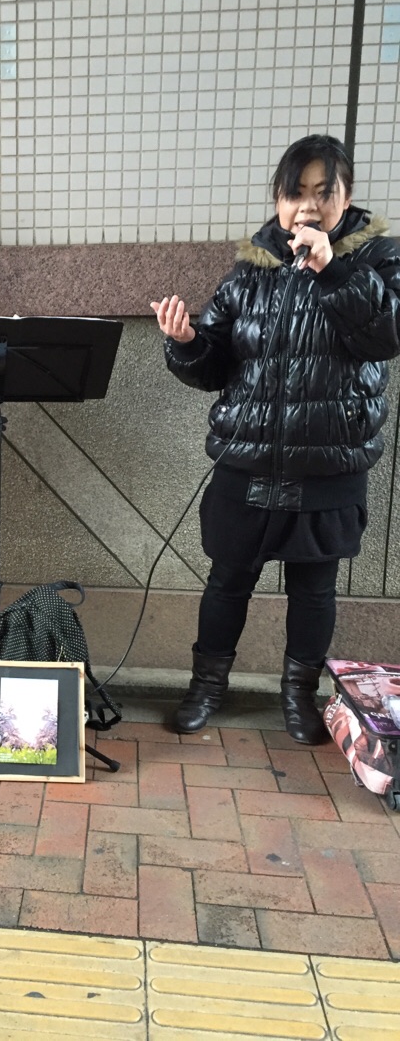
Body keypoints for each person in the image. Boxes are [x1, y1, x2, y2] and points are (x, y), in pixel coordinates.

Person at [150, 134, 400, 745]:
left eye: (322, 192)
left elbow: (386, 335)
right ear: (278, 201)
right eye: (296, 193)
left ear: (346, 198)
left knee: (314, 589)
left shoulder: (378, 259)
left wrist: (331, 267)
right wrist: (186, 343)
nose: (307, 206)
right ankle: (206, 688)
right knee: (227, 580)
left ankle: (298, 697)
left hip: (329, 465)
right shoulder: (251, 270)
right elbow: (214, 365)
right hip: (248, 461)